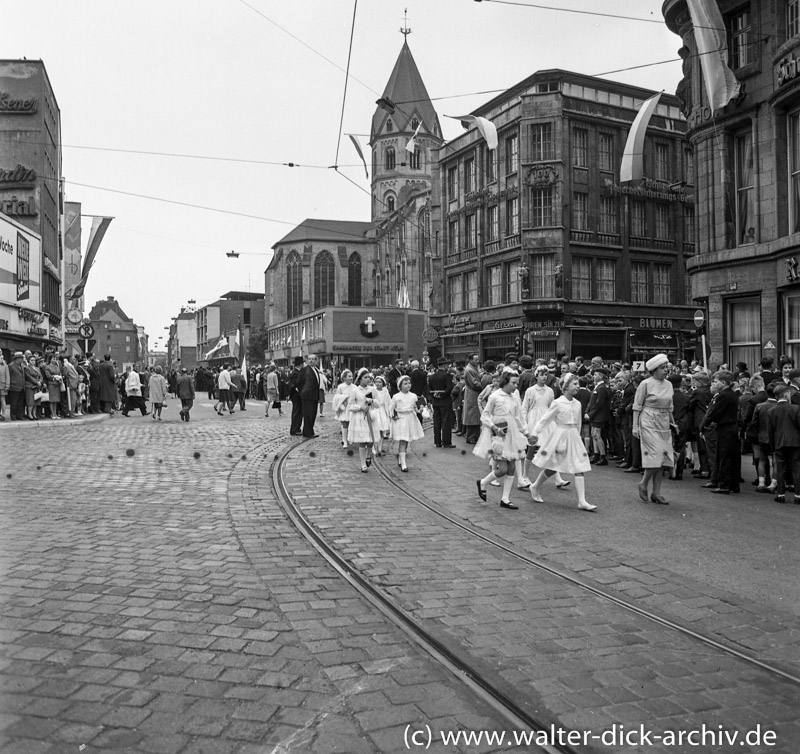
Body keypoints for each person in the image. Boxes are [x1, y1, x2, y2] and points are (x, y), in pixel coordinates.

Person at [527, 372, 597, 512]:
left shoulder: (577, 404)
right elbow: (544, 420)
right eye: (575, 384)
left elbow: (577, 423)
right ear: (565, 386)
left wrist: (578, 438)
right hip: (560, 437)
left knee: (579, 467)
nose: (578, 387)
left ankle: (582, 501)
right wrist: (535, 433)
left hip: (573, 437)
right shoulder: (557, 403)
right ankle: (535, 486)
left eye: (578, 384)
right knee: (553, 466)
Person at [474, 368, 529, 510]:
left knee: (511, 466)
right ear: (505, 382)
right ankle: (483, 482)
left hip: (512, 434)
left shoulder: (514, 398)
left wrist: (526, 433)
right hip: (499, 434)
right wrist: (493, 426)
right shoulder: (494, 397)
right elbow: (485, 415)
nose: (516, 386)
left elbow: (518, 418)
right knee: (503, 468)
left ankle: (505, 498)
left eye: (517, 383)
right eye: (514, 383)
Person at [632, 354, 675, 505]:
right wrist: (635, 426)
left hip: (663, 422)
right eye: (662, 368)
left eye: (667, 368)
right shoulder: (645, 384)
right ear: (654, 370)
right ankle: (643, 483)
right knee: (655, 455)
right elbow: (637, 406)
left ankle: (656, 492)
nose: (666, 371)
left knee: (663, 458)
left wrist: (673, 424)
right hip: (648, 420)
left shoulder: (669, 385)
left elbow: (670, 407)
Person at [520, 365, 570, 491]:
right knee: (532, 448)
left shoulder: (550, 391)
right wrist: (525, 423)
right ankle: (525, 475)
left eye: (546, 375)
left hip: (546, 421)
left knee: (551, 449)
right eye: (542, 375)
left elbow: (551, 407)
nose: (544, 377)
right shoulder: (530, 390)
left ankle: (558, 479)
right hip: (534, 420)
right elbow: (524, 408)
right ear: (536, 376)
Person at [702, 370, 741, 494]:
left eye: (716, 381)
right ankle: (734, 485)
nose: (714, 383)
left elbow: (714, 413)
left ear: (723, 383)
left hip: (725, 428)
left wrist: (703, 425)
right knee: (732, 457)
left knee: (723, 456)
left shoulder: (723, 395)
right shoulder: (733, 394)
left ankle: (724, 485)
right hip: (732, 427)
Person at [390, 374, 425, 472]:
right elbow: (391, 409)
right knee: (403, 440)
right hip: (401, 419)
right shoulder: (396, 397)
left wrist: (420, 409)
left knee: (407, 440)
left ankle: (402, 458)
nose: (408, 385)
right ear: (400, 386)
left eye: (409, 383)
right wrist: (393, 415)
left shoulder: (413, 396)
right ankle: (404, 464)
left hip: (410, 418)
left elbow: (416, 409)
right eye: (405, 384)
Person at [348, 368, 380, 472]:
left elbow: (378, 403)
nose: (367, 379)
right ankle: (363, 464)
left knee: (370, 440)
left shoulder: (372, 390)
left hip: (371, 416)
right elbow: (350, 406)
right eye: (365, 377)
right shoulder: (355, 391)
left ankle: (368, 455)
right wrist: (360, 407)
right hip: (360, 417)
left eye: (369, 377)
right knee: (362, 441)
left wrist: (371, 400)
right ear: (360, 379)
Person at [428, 357, 455, 448]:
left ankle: (437, 442)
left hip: (435, 402)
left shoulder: (431, 376)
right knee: (446, 422)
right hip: (445, 402)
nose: (448, 366)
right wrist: (442, 395)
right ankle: (446, 442)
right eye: (447, 364)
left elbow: (429, 389)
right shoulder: (447, 375)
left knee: (437, 422)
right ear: (444, 365)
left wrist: (434, 395)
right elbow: (449, 388)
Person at [297, 353, 322, 438]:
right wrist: (303, 391)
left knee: (312, 414)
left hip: (314, 396)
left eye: (313, 359)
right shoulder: (305, 370)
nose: (311, 360)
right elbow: (299, 382)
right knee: (308, 415)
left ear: (316, 361)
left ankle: (310, 431)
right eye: (309, 359)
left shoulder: (315, 369)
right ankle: (307, 433)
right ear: (307, 361)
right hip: (307, 396)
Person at [332, 369, 355, 448]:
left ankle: (349, 438)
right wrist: (343, 398)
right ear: (344, 378)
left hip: (351, 408)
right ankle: (344, 440)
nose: (351, 378)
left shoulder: (354, 387)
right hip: (344, 408)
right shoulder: (341, 387)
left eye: (351, 376)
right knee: (344, 423)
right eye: (349, 376)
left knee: (350, 424)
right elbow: (336, 397)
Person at [462, 353, 482, 444]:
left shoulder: (472, 368)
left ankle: (474, 436)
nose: (477, 361)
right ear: (470, 360)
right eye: (475, 359)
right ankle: (471, 437)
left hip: (473, 393)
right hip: (472, 393)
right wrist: (483, 386)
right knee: (472, 415)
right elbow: (474, 383)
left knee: (474, 415)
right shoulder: (469, 369)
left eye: (478, 359)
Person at [372, 375, 392, 456]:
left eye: (380, 382)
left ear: (383, 383)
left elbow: (389, 402)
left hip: (383, 411)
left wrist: (390, 411)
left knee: (382, 430)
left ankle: (379, 448)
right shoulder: (373, 391)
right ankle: (374, 447)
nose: (378, 384)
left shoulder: (385, 391)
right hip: (375, 411)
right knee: (375, 429)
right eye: (376, 382)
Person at [7, 352, 26, 421]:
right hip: (14, 387)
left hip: (21, 387)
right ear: (17, 359)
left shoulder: (21, 365)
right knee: (14, 403)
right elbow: (9, 376)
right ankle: (13, 416)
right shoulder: (11, 366)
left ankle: (19, 415)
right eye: (21, 358)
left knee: (20, 403)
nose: (22, 359)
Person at [288, 356, 304, 435]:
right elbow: (293, 385)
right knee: (296, 412)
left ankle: (297, 428)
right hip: (296, 395)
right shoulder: (296, 373)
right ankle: (294, 429)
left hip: (297, 395)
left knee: (299, 412)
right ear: (300, 364)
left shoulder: (297, 372)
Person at [0, 351, 9, 420]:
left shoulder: (5, 366)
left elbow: (7, 376)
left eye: (2, 358)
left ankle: (3, 414)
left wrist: (7, 385)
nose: (1, 359)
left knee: (2, 399)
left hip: (2, 385)